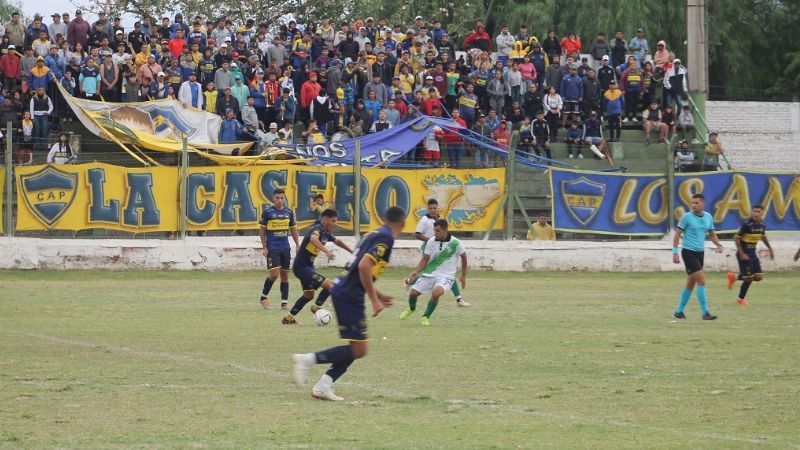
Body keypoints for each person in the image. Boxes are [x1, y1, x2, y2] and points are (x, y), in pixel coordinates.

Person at [291, 206, 405, 402]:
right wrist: (374, 299)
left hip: (345, 289)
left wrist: (379, 294)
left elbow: (357, 267)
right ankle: (306, 360)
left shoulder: (373, 233)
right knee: (359, 349)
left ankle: (323, 386)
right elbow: (363, 266)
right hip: (349, 294)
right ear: (402, 223)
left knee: (357, 346)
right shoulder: (386, 237)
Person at [283, 208, 354, 324]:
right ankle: (316, 307)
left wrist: (352, 251)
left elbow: (337, 241)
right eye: (333, 221)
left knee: (308, 295)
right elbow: (313, 239)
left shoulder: (326, 232)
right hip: (301, 268)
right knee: (331, 285)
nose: (334, 224)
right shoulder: (317, 229)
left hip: (308, 267)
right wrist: (327, 251)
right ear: (325, 219)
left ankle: (288, 319)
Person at [400, 218, 467, 326]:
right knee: (413, 293)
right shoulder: (431, 241)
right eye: (434, 230)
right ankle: (412, 309)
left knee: (436, 293)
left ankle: (426, 316)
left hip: (446, 276)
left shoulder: (455, 243)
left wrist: (463, 276)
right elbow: (425, 258)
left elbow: (464, 257)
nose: (435, 233)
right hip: (430, 274)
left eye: (438, 231)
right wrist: (416, 271)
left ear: (446, 230)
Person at [672, 193, 724, 320]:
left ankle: (679, 311)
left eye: (696, 203)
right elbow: (677, 235)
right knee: (701, 280)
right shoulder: (686, 217)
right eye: (692, 203)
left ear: (703, 203)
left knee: (691, 283)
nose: (694, 205)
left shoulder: (708, 217)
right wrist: (675, 252)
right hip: (688, 252)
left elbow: (712, 234)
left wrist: (719, 245)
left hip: (700, 253)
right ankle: (705, 312)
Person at [412, 198, 470, 307]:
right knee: (432, 273)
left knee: (446, 273)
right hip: (430, 248)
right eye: (430, 208)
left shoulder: (439, 220)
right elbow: (417, 234)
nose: (433, 210)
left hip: (440, 247)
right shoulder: (424, 220)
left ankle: (459, 299)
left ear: (438, 208)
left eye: (435, 208)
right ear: (427, 209)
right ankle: (411, 282)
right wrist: (430, 241)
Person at [259, 188, 301, 310]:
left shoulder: (289, 212)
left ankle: (284, 303)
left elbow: (293, 230)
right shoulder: (268, 213)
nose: (280, 200)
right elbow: (262, 231)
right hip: (272, 247)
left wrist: (298, 245)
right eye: (277, 198)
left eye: (282, 198)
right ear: (273, 199)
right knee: (274, 274)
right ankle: (263, 297)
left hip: (285, 248)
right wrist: (264, 247)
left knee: (285, 275)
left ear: (284, 198)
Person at [726, 205, 773, 305]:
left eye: (758, 212)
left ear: (762, 213)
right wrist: (742, 253)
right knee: (749, 278)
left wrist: (770, 248)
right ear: (752, 212)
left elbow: (763, 236)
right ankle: (740, 299)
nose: (756, 213)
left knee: (758, 277)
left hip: (752, 253)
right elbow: (736, 238)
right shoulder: (747, 224)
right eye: (755, 211)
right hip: (743, 253)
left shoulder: (762, 225)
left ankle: (733, 277)